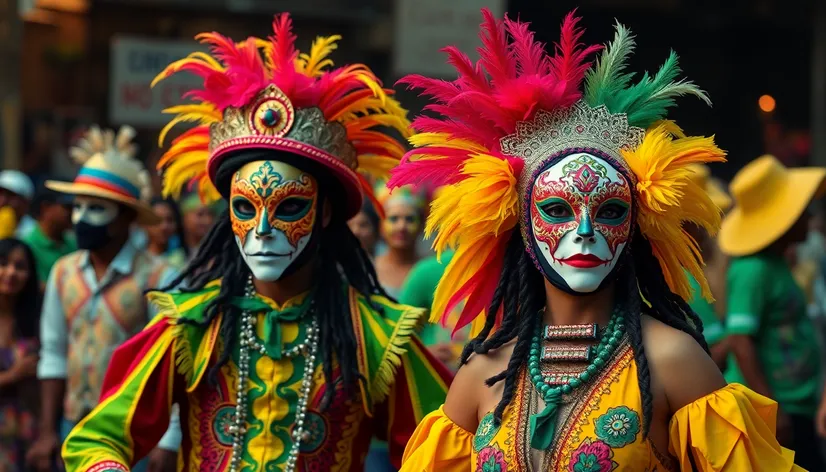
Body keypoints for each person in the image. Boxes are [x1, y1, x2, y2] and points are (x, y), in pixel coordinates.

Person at [391, 10, 802, 470]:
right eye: (557, 211)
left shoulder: (674, 360)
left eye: (608, 211)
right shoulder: (484, 372)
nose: (584, 232)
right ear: (523, 228)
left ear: (633, 227)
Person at [60, 14, 451, 471]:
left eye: (288, 208)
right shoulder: (192, 325)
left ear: (323, 213)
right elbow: (98, 438)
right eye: (245, 208)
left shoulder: (374, 335)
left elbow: (444, 449)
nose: (262, 229)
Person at [25, 125, 180, 472]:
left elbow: (171, 367)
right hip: (73, 427)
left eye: (95, 208)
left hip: (131, 435)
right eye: (77, 207)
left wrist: (168, 440)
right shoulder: (63, 272)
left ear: (126, 217)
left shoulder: (159, 277)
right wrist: (49, 430)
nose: (80, 218)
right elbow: (54, 352)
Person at [718, 154, 826, 470]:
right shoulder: (753, 270)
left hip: (795, 406)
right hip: (775, 412)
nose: (809, 216)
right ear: (786, 219)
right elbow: (739, 341)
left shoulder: (777, 265)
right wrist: (772, 411)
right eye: (801, 210)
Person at [684, 164, 732, 370]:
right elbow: (716, 358)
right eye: (698, 220)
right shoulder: (683, 281)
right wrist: (741, 334)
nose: (706, 230)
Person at [0, 238, 41, 470]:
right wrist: (13, 375)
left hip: (30, 430)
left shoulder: (37, 319)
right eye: (3, 263)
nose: (10, 273)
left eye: (20, 267)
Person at [374, 186, 425, 298]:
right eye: (394, 219)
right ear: (381, 226)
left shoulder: (430, 270)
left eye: (410, 219)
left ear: (422, 226)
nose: (402, 226)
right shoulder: (370, 269)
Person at [21, 183, 75, 289]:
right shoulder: (27, 247)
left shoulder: (75, 244)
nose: (74, 213)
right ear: (46, 207)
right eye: (68, 207)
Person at [145, 198, 188, 268]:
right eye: (157, 220)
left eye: (170, 220)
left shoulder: (181, 260)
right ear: (145, 224)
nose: (164, 227)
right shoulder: (134, 259)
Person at [0, 171, 35, 239]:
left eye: (10, 195)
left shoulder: (32, 232)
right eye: (0, 194)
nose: (2, 201)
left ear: (26, 202)